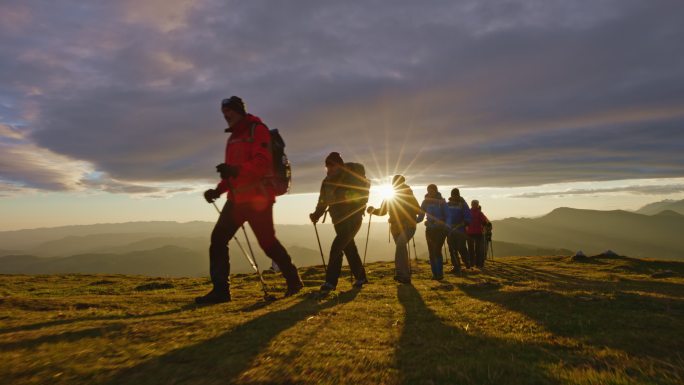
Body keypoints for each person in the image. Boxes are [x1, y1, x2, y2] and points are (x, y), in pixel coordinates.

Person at [199, 96, 303, 304]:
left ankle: (294, 281)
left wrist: (235, 170)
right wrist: (217, 191)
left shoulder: (258, 130)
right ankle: (221, 291)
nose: (226, 116)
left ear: (239, 112)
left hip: (258, 198)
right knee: (218, 239)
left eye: (229, 112)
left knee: (268, 243)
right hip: (236, 199)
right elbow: (232, 175)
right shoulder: (232, 139)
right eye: (224, 113)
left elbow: (262, 164)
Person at [309, 152, 370, 294]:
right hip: (338, 220)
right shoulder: (326, 182)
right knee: (349, 248)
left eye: (332, 166)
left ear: (340, 165)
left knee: (336, 248)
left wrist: (351, 204)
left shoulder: (350, 178)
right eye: (327, 167)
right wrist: (316, 215)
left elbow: (359, 196)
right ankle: (361, 278)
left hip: (353, 219)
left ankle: (330, 283)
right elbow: (323, 201)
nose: (329, 169)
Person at [367, 175, 422, 284]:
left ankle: (403, 275)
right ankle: (402, 275)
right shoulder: (389, 195)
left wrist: (414, 219)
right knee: (401, 248)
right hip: (395, 227)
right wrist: (372, 210)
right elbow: (383, 211)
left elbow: (418, 210)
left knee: (401, 245)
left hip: (408, 226)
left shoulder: (408, 194)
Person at [416, 184, 448, 280]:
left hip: (440, 230)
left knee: (437, 251)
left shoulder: (442, 202)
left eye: (432, 191)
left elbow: (447, 215)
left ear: (436, 191)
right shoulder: (425, 202)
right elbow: (421, 216)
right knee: (431, 252)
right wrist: (412, 221)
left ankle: (439, 274)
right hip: (429, 229)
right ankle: (435, 274)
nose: (430, 192)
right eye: (429, 191)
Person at [446, 188, 472, 273]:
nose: (454, 196)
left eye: (455, 194)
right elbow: (445, 215)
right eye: (453, 194)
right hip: (450, 230)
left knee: (461, 247)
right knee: (452, 248)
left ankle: (466, 262)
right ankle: (456, 266)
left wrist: (463, 223)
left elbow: (468, 217)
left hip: (460, 230)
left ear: (458, 195)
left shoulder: (463, 204)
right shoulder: (448, 204)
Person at [466, 200, 491, 269]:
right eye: (474, 204)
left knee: (472, 249)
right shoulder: (479, 213)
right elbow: (484, 222)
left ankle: (472, 263)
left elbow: (465, 221)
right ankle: (477, 264)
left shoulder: (468, 212)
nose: (474, 205)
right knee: (477, 249)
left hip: (471, 233)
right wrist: (487, 226)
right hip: (477, 233)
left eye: (475, 204)